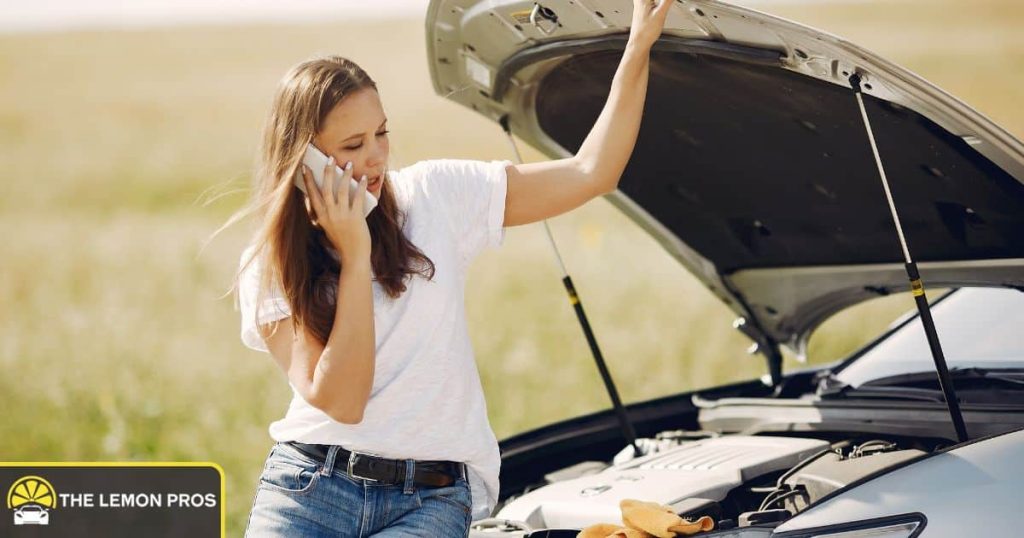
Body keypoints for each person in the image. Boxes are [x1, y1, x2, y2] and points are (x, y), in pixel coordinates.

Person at [234, 1, 672, 535]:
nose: (376, 157)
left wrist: (636, 49)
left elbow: (589, 172)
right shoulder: (269, 262)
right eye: (352, 145)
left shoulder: (434, 196)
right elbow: (342, 402)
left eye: (382, 133)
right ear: (306, 161)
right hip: (310, 488)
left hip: (431, 499)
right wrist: (353, 256)